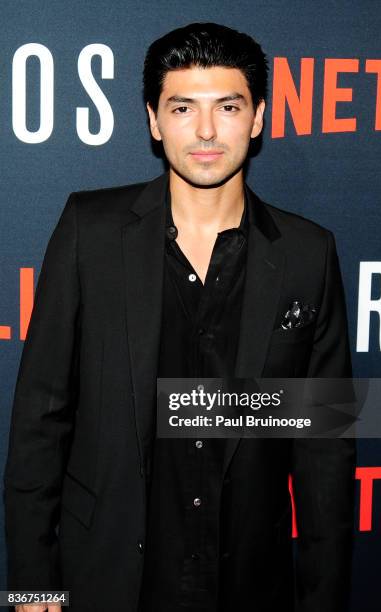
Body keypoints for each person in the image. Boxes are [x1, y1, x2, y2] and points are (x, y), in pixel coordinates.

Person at [3, 22, 356, 612]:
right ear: (153, 119)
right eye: (184, 107)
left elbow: (324, 453)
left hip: (246, 583)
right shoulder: (90, 233)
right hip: (110, 578)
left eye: (229, 106)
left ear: (259, 116)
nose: (208, 131)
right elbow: (41, 416)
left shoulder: (307, 253)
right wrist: (33, 585)